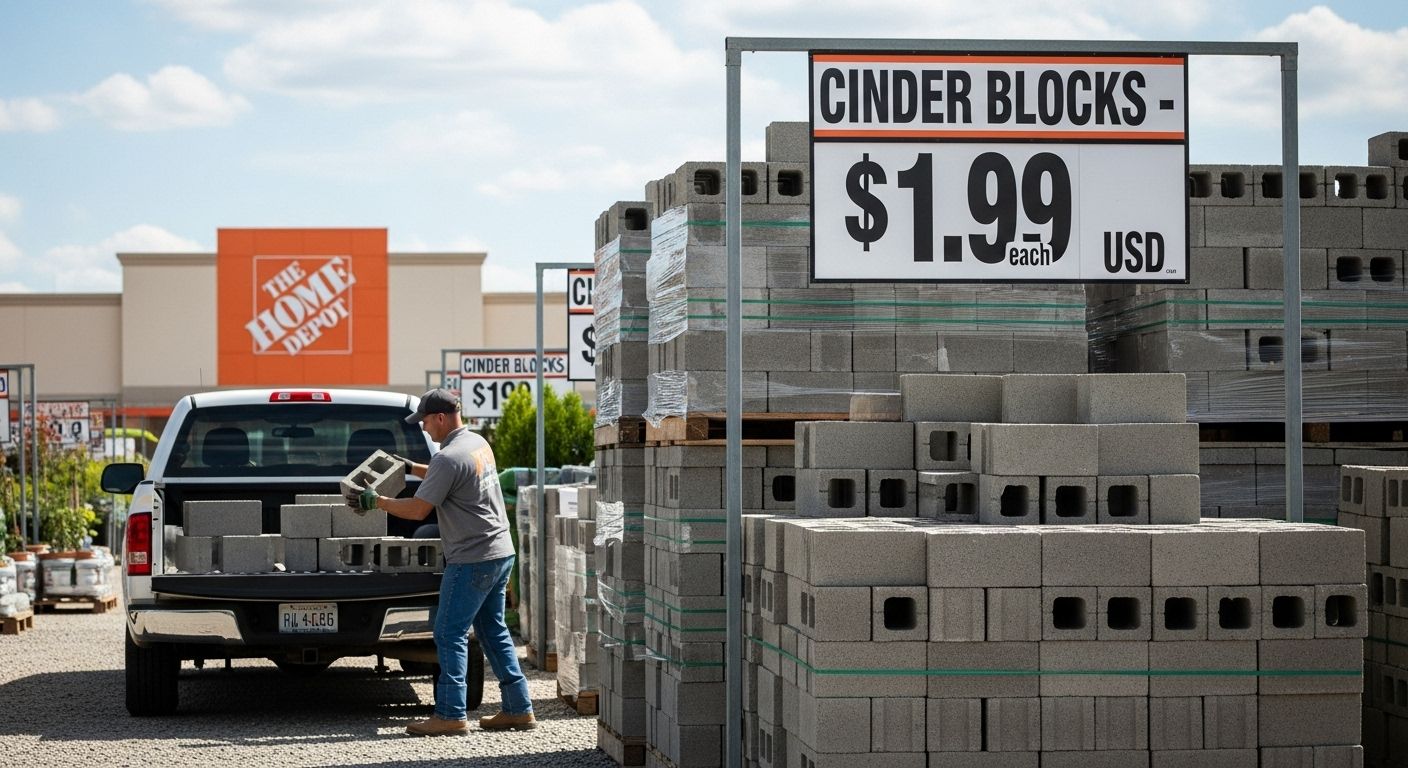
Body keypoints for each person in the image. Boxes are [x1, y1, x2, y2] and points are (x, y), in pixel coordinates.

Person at [347, 388, 535, 736]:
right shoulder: (476, 444)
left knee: (449, 633)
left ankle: (450, 714)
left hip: (472, 558)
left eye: (425, 422)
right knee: (493, 631)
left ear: (441, 418)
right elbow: (446, 474)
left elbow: (419, 509)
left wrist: (377, 502)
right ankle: (519, 708)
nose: (423, 428)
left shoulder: (448, 458)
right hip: (499, 552)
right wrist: (409, 467)